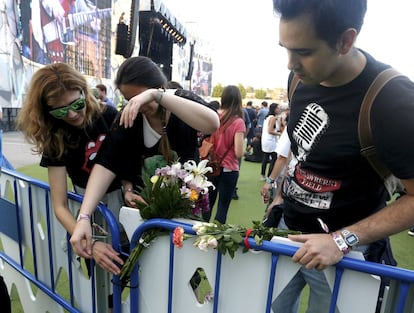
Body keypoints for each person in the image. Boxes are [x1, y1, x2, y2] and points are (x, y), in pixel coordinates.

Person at [270, 1, 414, 313]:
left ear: (346, 41)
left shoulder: (393, 99)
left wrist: (341, 240)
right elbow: (301, 152)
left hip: (349, 252)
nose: (290, 63)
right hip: (287, 234)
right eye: (286, 48)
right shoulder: (299, 79)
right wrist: (280, 196)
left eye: (304, 52)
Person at [69, 56, 219, 274]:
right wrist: (84, 216)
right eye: (129, 99)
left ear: (158, 87)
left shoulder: (179, 100)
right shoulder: (129, 116)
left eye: (139, 97)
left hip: (189, 214)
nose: (136, 105)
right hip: (149, 218)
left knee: (189, 273)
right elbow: (106, 164)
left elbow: (212, 123)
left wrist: (155, 95)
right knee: (152, 275)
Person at [16, 63, 124, 311]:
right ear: (46, 112)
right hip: (93, 218)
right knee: (107, 294)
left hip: (127, 207)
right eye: (60, 111)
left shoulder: (108, 116)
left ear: (85, 92)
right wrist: (92, 243)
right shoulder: (55, 137)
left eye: (77, 104)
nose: (73, 115)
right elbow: (60, 205)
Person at [202, 85, 246, 223]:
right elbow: (239, 152)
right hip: (229, 169)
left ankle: (200, 230)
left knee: (207, 204)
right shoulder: (238, 122)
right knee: (223, 206)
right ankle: (215, 238)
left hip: (210, 165)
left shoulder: (213, 116)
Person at [260, 102, 281, 181]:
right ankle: (269, 175)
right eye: (278, 108)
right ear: (274, 109)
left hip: (265, 140)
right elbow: (270, 130)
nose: (279, 109)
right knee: (274, 158)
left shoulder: (268, 117)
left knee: (265, 158)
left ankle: (263, 175)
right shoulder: (272, 118)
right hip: (270, 141)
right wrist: (279, 134)